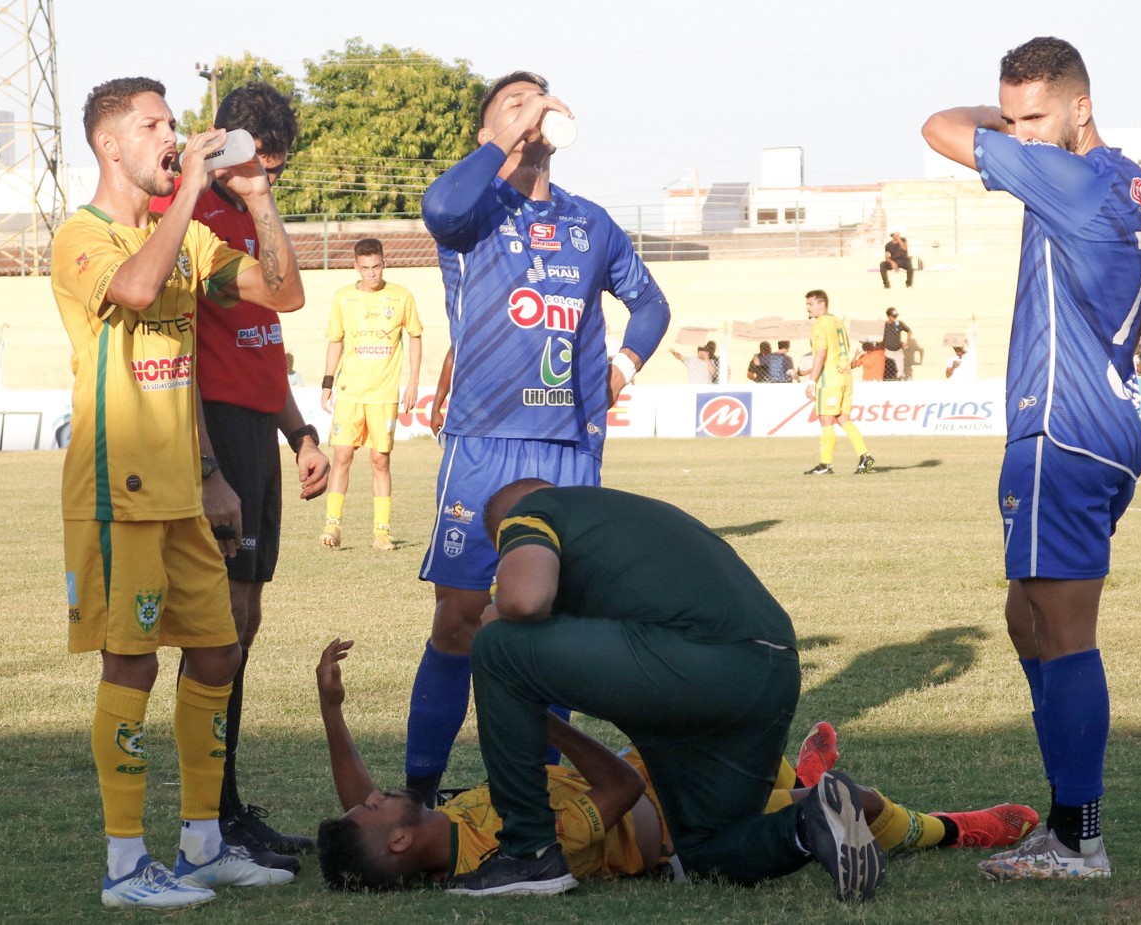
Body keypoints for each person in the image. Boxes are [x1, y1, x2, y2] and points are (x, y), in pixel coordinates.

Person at [49, 76, 305, 909]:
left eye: (172, 121)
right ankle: (126, 864)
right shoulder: (81, 238)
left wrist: (259, 198)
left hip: (184, 495)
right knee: (131, 664)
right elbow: (131, 289)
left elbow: (284, 291)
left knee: (219, 649)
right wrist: (189, 191)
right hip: (115, 492)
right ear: (110, 145)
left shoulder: (189, 241)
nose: (173, 134)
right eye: (153, 125)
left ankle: (202, 842)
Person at [924, 35, 1141, 880]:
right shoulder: (1125, 178)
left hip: (1062, 429)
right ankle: (1064, 822)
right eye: (1012, 116)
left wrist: (998, 126)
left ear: (1080, 106)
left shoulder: (1066, 177)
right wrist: (1030, 125)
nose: (1020, 134)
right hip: (1100, 428)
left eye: (1034, 115)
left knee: (1061, 633)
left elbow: (938, 126)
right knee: (1028, 620)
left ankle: (1078, 838)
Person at [409, 71, 670, 807]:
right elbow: (438, 204)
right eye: (513, 105)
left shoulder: (592, 224)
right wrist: (506, 137)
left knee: (548, 629)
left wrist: (623, 366)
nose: (534, 116)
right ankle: (421, 792)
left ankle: (543, 795)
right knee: (460, 621)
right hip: (484, 444)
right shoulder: (471, 214)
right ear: (487, 132)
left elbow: (651, 304)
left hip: (566, 450)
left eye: (542, 102)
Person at [444, 480, 882, 899]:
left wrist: (497, 611)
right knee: (710, 851)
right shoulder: (634, 521)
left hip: (692, 662)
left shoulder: (532, 509)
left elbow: (526, 598)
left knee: (498, 646)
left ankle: (528, 853)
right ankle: (812, 822)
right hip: (771, 672)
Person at [312, 639, 1040, 891]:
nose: (375, 797)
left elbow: (360, 799)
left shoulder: (424, 829)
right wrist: (543, 718)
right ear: (399, 841)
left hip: (657, 766)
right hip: (678, 818)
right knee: (861, 803)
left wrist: (331, 707)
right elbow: (620, 789)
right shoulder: (510, 854)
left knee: (735, 731)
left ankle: (806, 777)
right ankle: (951, 827)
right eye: (374, 810)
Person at [146, 81, 329, 871]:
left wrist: (301, 432)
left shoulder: (253, 218)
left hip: (259, 430)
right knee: (218, 628)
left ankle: (223, 811)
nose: (270, 181)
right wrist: (210, 467)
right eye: (264, 168)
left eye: (278, 173)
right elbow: (181, 355)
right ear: (232, 149)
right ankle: (208, 820)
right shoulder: (184, 220)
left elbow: (273, 319)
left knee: (243, 622)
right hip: (213, 430)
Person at [318, 238, 423, 552]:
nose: (372, 274)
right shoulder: (342, 299)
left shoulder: (401, 297)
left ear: (383, 263)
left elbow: (415, 337)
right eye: (365, 268)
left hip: (384, 394)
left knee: (380, 461)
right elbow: (335, 341)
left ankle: (381, 532)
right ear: (356, 267)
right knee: (342, 456)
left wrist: (413, 382)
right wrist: (327, 383)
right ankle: (332, 526)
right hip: (350, 392)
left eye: (376, 266)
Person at [800, 290, 873, 475]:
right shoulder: (838, 321)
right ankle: (865, 456)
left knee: (825, 419)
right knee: (843, 418)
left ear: (821, 304)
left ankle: (825, 464)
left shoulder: (820, 325)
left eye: (810, 304)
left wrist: (811, 381)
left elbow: (821, 353)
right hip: (845, 376)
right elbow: (844, 347)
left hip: (829, 378)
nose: (807, 307)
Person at [882, 307, 912, 380]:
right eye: (893, 317)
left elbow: (909, 331)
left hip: (898, 350)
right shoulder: (884, 325)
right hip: (888, 351)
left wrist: (907, 342)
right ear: (888, 316)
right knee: (888, 369)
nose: (895, 318)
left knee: (900, 370)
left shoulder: (899, 324)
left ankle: (900, 378)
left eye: (896, 317)